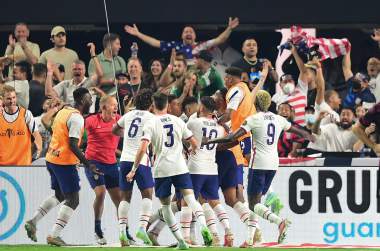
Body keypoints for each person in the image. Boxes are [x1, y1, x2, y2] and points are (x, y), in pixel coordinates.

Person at [204, 90, 314, 246]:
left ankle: (279, 221)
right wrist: (312, 136)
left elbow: (232, 137)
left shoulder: (253, 119)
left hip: (259, 163)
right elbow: (298, 131)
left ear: (255, 103)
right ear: (269, 103)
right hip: (274, 164)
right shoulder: (279, 119)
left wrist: (209, 141)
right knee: (257, 202)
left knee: (253, 204)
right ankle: (249, 240)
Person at [126, 92, 213, 249]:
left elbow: (142, 148)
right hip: (180, 167)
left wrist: (133, 169)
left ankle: (181, 241)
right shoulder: (177, 120)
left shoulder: (151, 123)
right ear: (167, 105)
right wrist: (192, 149)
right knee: (191, 199)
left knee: (166, 207)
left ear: (153, 105)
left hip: (162, 170)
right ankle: (203, 226)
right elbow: (193, 142)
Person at [24, 88, 101, 246]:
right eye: (89, 99)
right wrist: (88, 164)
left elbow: (53, 129)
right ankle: (54, 235)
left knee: (60, 195)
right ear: (81, 101)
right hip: (64, 162)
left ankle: (33, 221)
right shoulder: (77, 118)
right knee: (73, 199)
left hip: (52, 158)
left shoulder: (63, 111)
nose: (91, 102)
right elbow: (73, 145)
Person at [184, 96, 234, 246]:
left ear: (202, 108)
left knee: (187, 201)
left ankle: (186, 236)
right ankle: (228, 231)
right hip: (212, 169)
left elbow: (183, 136)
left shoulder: (194, 122)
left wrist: (188, 147)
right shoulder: (218, 128)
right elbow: (228, 133)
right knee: (215, 202)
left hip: (195, 168)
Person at [112, 89, 155, 246]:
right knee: (148, 194)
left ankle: (122, 232)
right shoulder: (151, 118)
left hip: (124, 159)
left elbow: (114, 130)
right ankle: (142, 227)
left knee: (125, 197)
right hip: (141, 160)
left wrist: (128, 135)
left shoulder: (128, 115)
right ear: (151, 104)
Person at [84, 95, 121, 245]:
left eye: (116, 105)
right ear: (103, 107)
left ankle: (124, 232)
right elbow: (77, 136)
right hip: (94, 163)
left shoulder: (119, 119)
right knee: (101, 193)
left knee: (119, 200)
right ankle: (97, 230)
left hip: (112, 164)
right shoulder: (92, 121)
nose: (116, 108)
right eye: (113, 105)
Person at [125, 18, 239, 64]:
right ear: (182, 36)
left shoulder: (202, 46)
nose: (188, 33)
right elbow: (155, 42)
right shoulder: (177, 46)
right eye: (186, 32)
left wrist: (229, 28)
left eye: (191, 32)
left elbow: (220, 39)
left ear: (195, 36)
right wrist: (138, 34)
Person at [0, 85, 42, 165]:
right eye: (9, 98)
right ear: (2, 99)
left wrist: (39, 147)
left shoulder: (26, 114)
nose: (12, 101)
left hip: (23, 164)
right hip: (3, 166)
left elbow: (36, 134)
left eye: (14, 97)